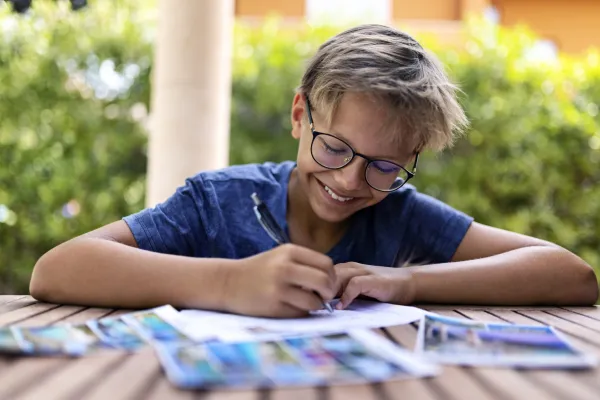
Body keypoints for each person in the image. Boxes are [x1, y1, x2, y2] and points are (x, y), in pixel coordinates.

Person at [29, 24, 598, 317]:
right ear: (301, 115)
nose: (351, 181)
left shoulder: (401, 214)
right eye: (335, 148)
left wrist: (410, 281)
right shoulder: (218, 202)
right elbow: (58, 269)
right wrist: (228, 283)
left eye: (384, 166)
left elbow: (570, 274)